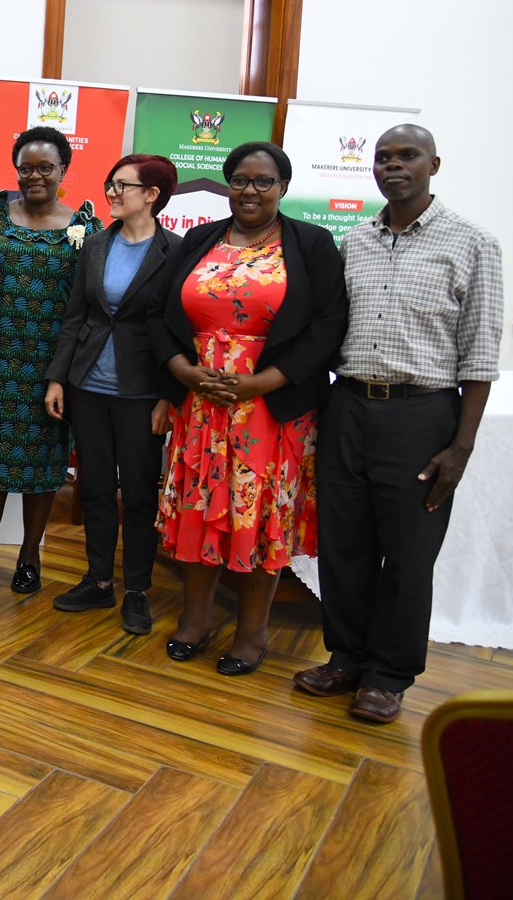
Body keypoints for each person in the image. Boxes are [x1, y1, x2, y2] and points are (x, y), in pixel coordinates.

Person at [294, 125, 502, 723]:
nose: (393, 166)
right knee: (344, 546)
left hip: (422, 413)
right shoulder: (353, 241)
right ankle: (347, 658)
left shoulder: (473, 243)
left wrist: (461, 447)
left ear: (433, 163)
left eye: (406, 156)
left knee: (408, 554)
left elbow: (481, 356)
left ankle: (389, 675)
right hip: (349, 407)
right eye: (383, 158)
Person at [151, 141, 346, 675]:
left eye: (263, 181)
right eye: (240, 179)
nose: (250, 191)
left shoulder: (311, 244)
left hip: (272, 407)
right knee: (199, 506)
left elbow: (328, 326)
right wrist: (183, 372)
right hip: (201, 403)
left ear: (283, 187)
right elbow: (159, 316)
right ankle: (196, 617)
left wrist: (262, 382)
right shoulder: (199, 238)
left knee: (258, 515)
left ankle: (254, 630)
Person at [43, 154, 182, 634]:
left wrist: (169, 396)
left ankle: (137, 590)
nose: (112, 193)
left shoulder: (177, 251)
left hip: (143, 393)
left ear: (152, 194)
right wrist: (58, 378)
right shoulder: (97, 245)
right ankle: (99, 582)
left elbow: (180, 331)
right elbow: (75, 316)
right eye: (110, 183)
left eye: (122, 185)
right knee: (97, 489)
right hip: (88, 387)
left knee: (140, 495)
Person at [0, 126, 101, 593]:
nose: (34, 176)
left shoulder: (86, 227)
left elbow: (88, 307)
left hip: (51, 370)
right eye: (26, 168)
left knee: (43, 470)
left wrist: (64, 371)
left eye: (45, 167)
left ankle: (28, 556)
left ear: (64, 170)